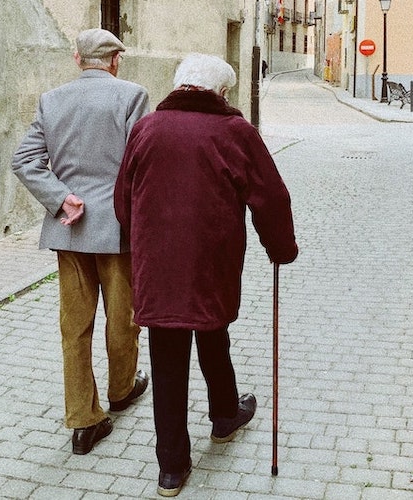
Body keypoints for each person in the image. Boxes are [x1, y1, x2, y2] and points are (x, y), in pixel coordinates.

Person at [114, 53, 298, 497]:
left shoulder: (147, 129)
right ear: (221, 92)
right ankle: (223, 416)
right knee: (214, 334)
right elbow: (270, 197)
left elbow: (123, 199)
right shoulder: (234, 131)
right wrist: (281, 249)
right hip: (211, 260)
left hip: (158, 266)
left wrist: (143, 238)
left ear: (179, 86)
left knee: (166, 356)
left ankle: (172, 469)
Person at [12, 28, 151, 455]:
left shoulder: (52, 99)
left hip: (69, 228)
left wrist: (61, 197)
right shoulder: (133, 95)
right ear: (115, 61)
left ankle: (83, 420)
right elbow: (139, 162)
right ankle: (121, 389)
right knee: (122, 316)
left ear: (77, 59)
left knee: (74, 326)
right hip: (118, 229)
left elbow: (24, 161)